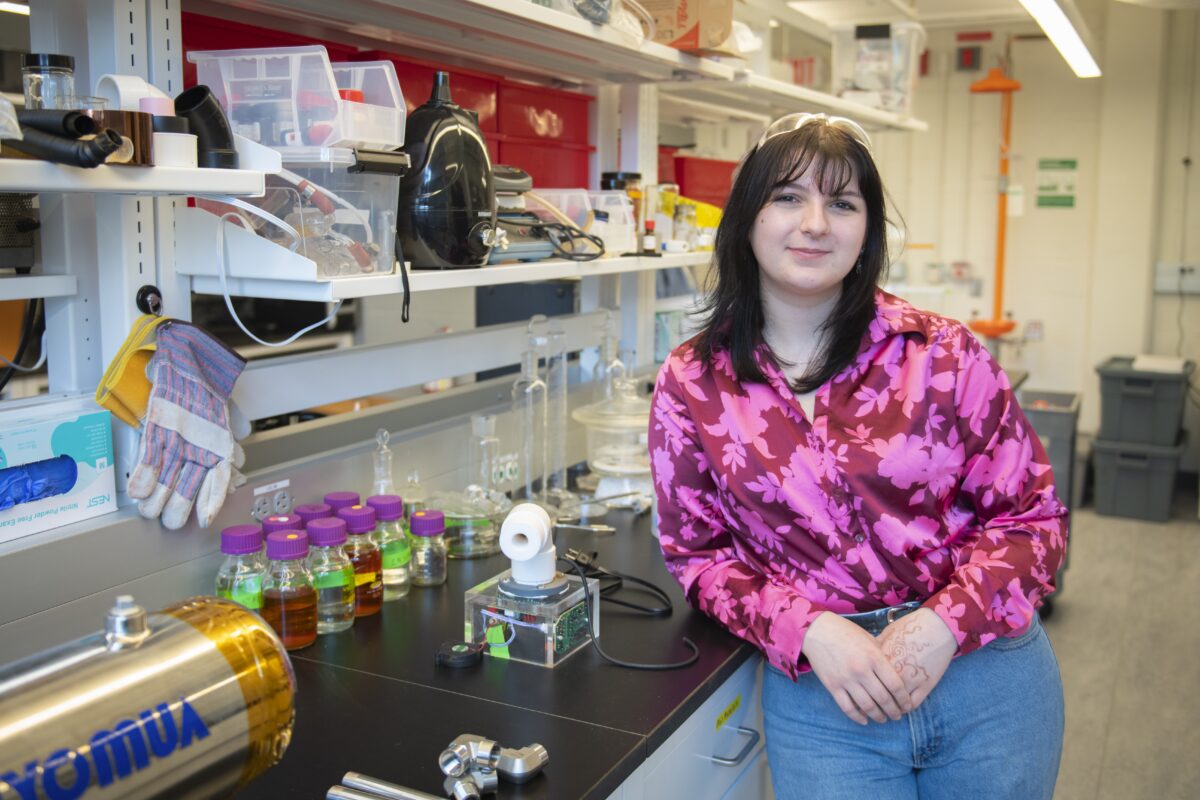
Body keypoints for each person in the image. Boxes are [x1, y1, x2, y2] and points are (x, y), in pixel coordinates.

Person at [648, 113, 1067, 800]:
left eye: (842, 203)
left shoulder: (941, 354)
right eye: (788, 196)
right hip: (828, 699)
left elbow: (1036, 521)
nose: (815, 223)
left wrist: (941, 625)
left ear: (866, 229)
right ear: (747, 216)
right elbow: (698, 555)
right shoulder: (693, 381)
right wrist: (809, 630)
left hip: (988, 682)